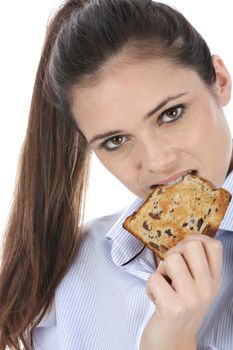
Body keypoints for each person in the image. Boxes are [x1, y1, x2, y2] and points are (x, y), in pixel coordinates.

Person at [0, 0, 233, 349]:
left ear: (219, 81)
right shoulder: (67, 274)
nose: (156, 162)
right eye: (116, 140)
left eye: (171, 113)